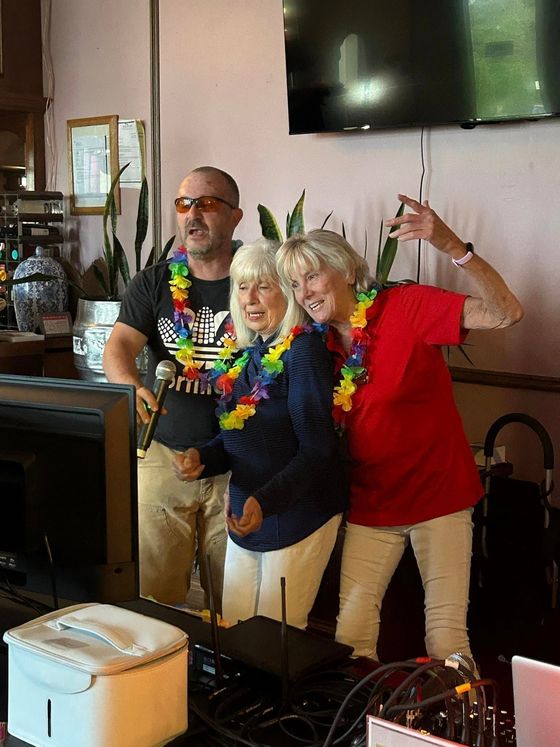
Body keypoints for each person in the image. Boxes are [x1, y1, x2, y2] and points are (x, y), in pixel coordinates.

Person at [276, 194, 523, 661]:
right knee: (350, 636)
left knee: (446, 639)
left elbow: (506, 313)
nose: (304, 292)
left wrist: (454, 247)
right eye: (294, 283)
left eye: (312, 275)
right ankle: (361, 729)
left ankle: (455, 727)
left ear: (347, 272)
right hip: (372, 503)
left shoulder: (405, 307)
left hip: (440, 497)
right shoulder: (311, 348)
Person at [172, 239, 347, 628]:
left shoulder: (302, 352)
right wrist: (203, 457)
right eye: (242, 286)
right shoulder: (244, 355)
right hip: (249, 512)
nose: (250, 298)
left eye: (264, 286)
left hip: (298, 512)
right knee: (233, 629)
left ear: (286, 292)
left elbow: (317, 450)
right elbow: (239, 439)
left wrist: (265, 502)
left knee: (275, 638)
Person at [103, 166, 244, 610]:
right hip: (164, 457)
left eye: (207, 203)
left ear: (236, 216)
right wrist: (130, 386)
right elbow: (118, 348)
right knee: (155, 598)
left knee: (237, 605)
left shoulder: (259, 282)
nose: (192, 214)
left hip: (240, 463)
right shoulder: (154, 282)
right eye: (184, 204)